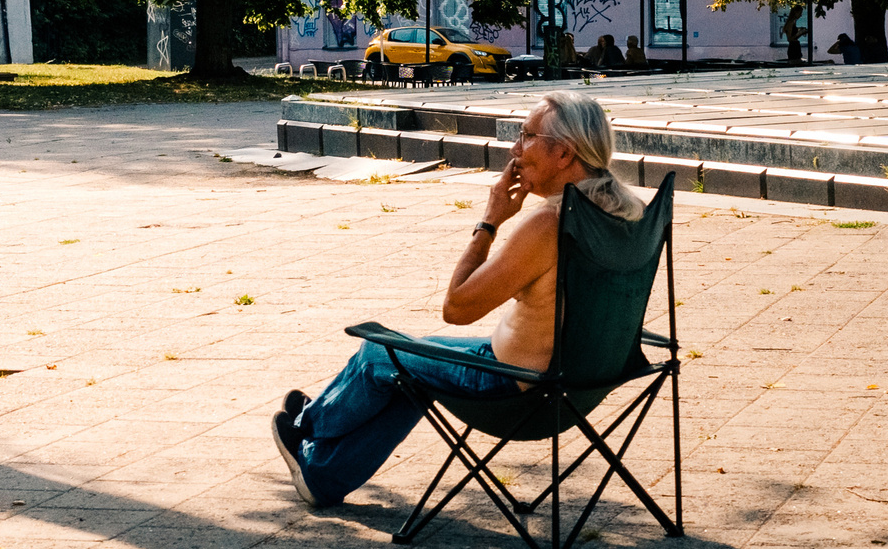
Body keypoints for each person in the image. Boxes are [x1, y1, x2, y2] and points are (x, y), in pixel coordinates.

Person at [269, 93, 647, 506]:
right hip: (583, 384)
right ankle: (322, 474)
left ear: (563, 153)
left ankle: (309, 427)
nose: (515, 149)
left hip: (519, 390)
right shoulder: (627, 213)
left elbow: (457, 309)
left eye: (526, 136)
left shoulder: (549, 224)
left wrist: (491, 220)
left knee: (378, 352)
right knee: (405, 372)